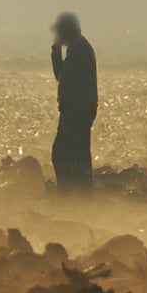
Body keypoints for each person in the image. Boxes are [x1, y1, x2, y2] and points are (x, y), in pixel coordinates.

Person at [49, 11, 97, 192]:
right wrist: (56, 53)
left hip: (77, 110)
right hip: (73, 109)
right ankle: (73, 193)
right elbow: (61, 76)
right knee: (65, 153)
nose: (57, 35)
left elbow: (66, 79)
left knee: (72, 154)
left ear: (67, 30)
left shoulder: (79, 49)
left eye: (59, 31)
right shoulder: (76, 48)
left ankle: (78, 194)